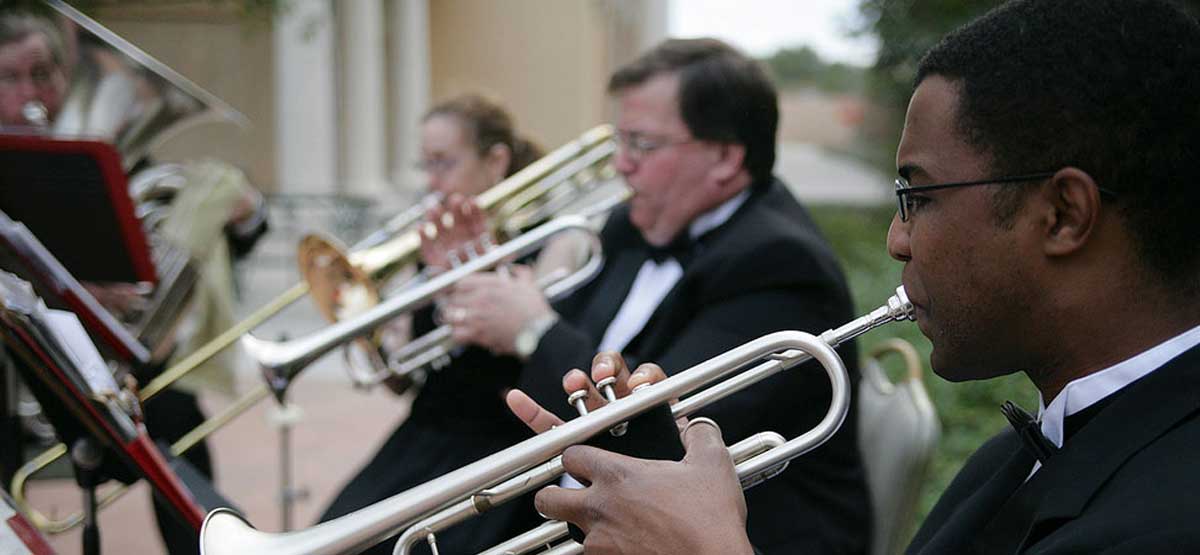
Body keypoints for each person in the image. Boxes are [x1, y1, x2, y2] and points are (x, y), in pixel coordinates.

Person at [505, 0, 1200, 553]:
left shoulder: (1168, 521)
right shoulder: (1012, 458)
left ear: (1062, 214)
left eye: (919, 195)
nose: (899, 239)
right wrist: (651, 462)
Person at [437, 38, 868, 554]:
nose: (621, 165)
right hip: (590, 507)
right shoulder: (635, 223)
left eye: (642, 144)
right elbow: (559, 343)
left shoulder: (782, 265)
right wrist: (475, 284)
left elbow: (665, 437)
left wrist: (532, 330)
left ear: (726, 158)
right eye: (621, 143)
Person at [1, 11, 268, 555]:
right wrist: (64, 289)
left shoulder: (93, 160)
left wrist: (241, 210)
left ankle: (217, 542)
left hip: (91, 364)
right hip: (12, 368)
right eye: (11, 78)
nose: (34, 93)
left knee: (177, 414)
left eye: (45, 73)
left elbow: (236, 236)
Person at [316, 94, 550, 555]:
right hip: (422, 436)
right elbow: (403, 383)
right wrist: (372, 334)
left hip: (493, 454)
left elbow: (536, 352)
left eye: (443, 163)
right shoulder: (426, 246)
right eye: (425, 165)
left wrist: (471, 277)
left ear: (496, 160)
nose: (431, 181)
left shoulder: (547, 240)